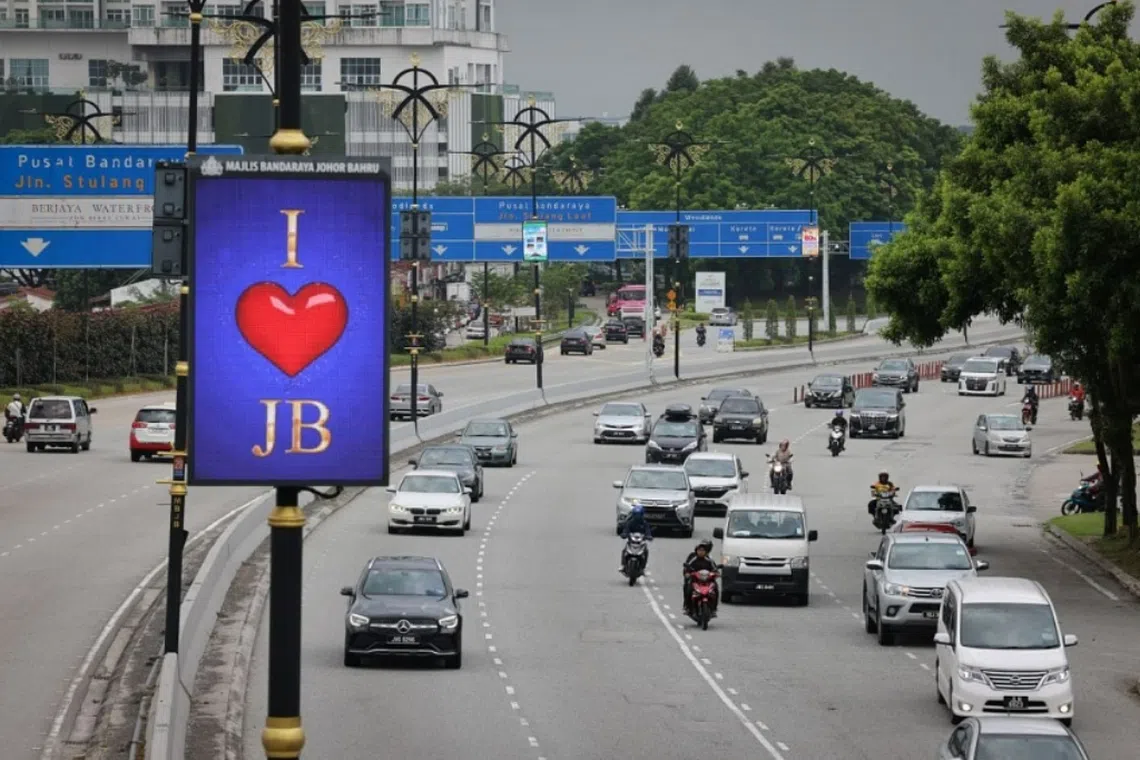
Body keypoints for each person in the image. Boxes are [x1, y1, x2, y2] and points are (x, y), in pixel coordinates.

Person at [682, 539, 718, 616]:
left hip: (707, 581)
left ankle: (714, 608)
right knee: (688, 588)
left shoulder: (709, 560)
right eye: (699, 550)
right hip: (696, 580)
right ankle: (688, 607)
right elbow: (687, 568)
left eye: (703, 550)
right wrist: (688, 573)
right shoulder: (693, 559)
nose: (701, 552)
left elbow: (715, 569)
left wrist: (716, 574)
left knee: (716, 588)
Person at [620, 505, 653, 572]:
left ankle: (644, 566)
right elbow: (626, 529)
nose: (637, 517)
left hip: (641, 542)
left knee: (646, 551)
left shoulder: (644, 523)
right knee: (624, 551)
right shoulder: (630, 522)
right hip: (631, 541)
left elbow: (648, 531)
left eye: (639, 515)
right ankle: (623, 565)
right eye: (636, 515)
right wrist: (624, 534)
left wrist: (649, 536)